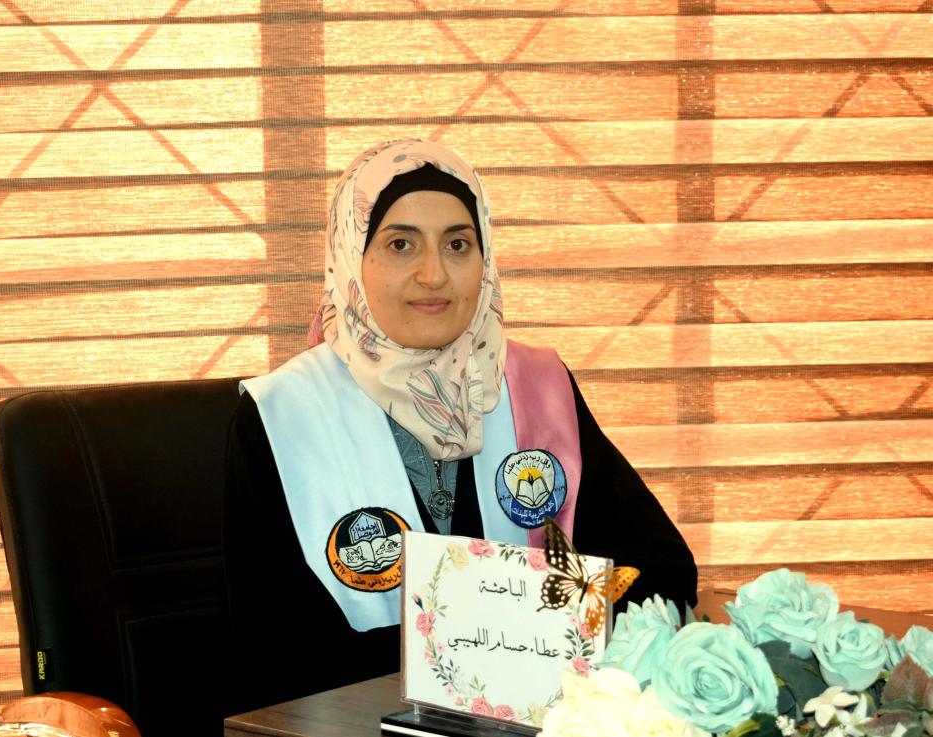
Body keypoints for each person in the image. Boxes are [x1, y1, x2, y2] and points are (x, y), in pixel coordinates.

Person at [222, 139, 695, 711]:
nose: (434, 275)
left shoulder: (539, 388)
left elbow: (661, 576)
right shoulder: (283, 416)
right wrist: (495, 651)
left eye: (457, 244)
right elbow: (273, 649)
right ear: (351, 256)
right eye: (401, 244)